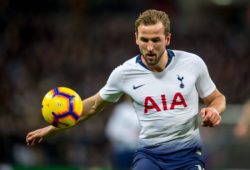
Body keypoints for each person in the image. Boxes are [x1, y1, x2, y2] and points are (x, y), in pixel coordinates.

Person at [26, 9, 226, 170]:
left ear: (167, 39)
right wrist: (53, 129)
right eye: (144, 40)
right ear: (136, 39)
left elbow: (217, 98)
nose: (149, 47)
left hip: (187, 157)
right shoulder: (124, 73)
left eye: (156, 40)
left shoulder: (192, 63)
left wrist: (214, 110)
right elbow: (94, 106)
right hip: (150, 157)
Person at [105, 95, 140, 170]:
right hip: (124, 152)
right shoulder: (121, 110)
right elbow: (112, 131)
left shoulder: (143, 109)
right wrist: (130, 137)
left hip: (141, 152)